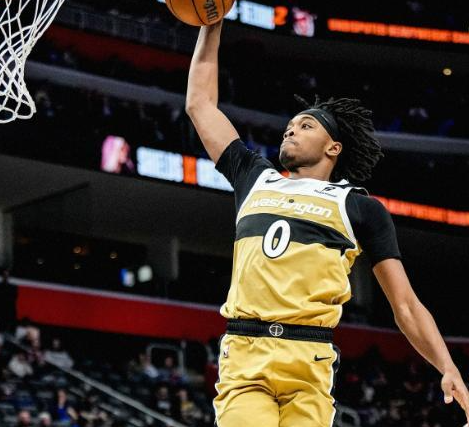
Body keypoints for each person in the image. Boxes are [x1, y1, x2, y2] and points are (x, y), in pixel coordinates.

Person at [185, 20, 469, 427]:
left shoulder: (360, 208)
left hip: (309, 360)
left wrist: (447, 365)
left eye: (305, 125)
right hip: (246, 353)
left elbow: (405, 305)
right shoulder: (254, 177)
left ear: (333, 147)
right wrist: (211, 27)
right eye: (289, 126)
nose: (290, 130)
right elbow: (200, 105)